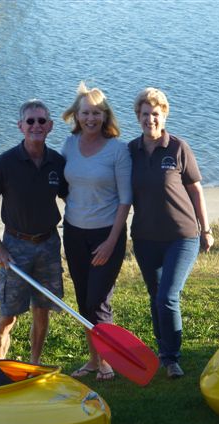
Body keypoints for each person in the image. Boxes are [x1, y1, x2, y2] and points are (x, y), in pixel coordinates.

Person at [128, 87, 214, 379]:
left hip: (182, 236)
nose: (149, 119)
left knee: (167, 296)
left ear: (163, 116)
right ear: (137, 117)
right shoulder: (130, 151)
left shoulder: (178, 148)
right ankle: (163, 351)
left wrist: (206, 229)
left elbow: (195, 190)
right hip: (144, 238)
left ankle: (173, 357)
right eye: (144, 114)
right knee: (155, 295)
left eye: (155, 114)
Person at [0, 99, 68, 364]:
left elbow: (72, 199)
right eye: (30, 121)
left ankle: (34, 364)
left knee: (42, 311)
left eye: (42, 121)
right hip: (15, 247)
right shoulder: (4, 163)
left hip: (48, 245)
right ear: (21, 126)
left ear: (50, 126)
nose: (36, 126)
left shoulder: (57, 163)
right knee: (9, 314)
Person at [61, 82, 132, 381]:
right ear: (76, 115)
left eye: (97, 113)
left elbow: (125, 199)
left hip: (107, 234)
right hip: (74, 233)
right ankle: (93, 360)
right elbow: (64, 187)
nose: (91, 118)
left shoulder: (118, 150)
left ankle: (108, 361)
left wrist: (112, 241)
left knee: (98, 301)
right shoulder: (68, 145)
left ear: (106, 116)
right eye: (86, 113)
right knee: (82, 301)